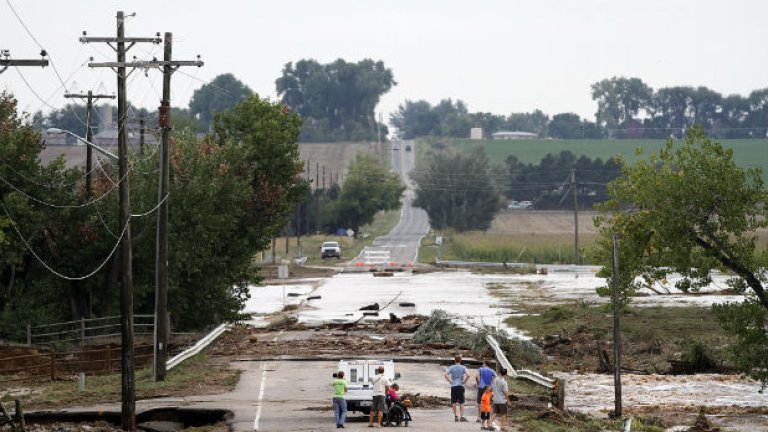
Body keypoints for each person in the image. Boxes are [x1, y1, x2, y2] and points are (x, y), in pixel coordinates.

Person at [444, 355, 470, 422]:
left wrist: (450, 381)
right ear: (460, 360)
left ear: (455, 360)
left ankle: (456, 416)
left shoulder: (451, 367)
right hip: (460, 385)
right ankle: (461, 416)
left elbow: (445, 374)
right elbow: (468, 375)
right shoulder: (463, 367)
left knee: (453, 401)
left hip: (453, 386)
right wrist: (464, 381)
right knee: (462, 402)